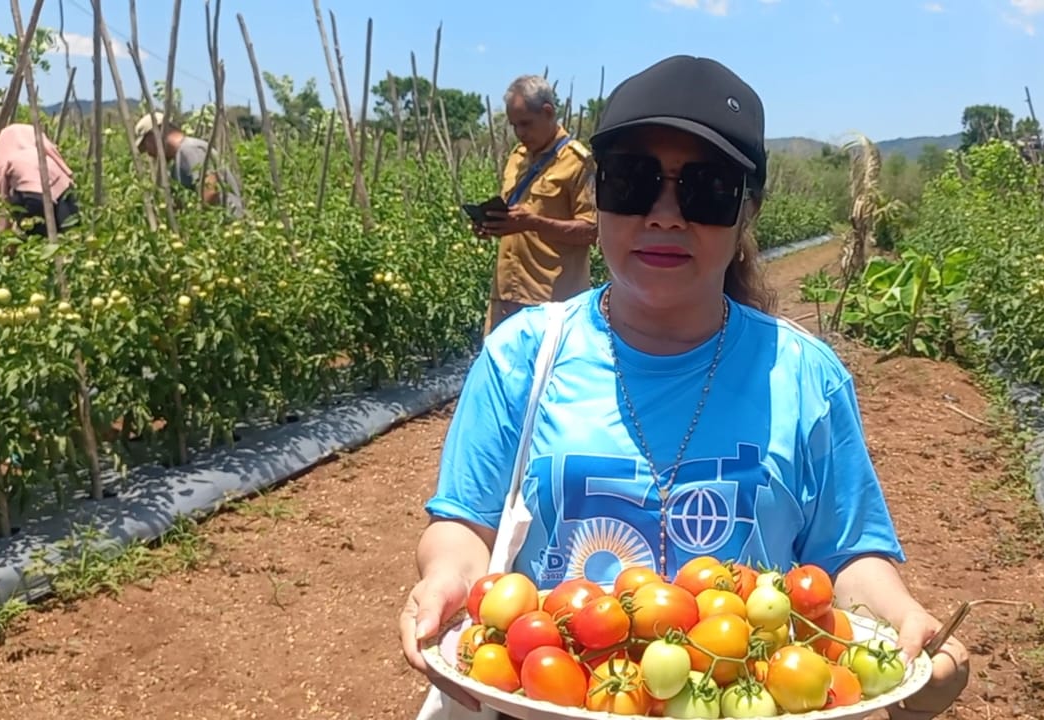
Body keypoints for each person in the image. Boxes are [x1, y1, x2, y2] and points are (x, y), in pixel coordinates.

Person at [401, 56, 970, 719]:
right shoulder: (524, 355)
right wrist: (447, 577)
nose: (666, 214)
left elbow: (846, 556)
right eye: (634, 181)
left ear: (746, 211)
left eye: (707, 188)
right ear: (600, 191)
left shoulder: (804, 375)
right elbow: (465, 524)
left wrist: (904, 625)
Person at [475, 74, 598, 337]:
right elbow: (513, 216)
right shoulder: (517, 158)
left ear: (548, 112)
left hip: (552, 302)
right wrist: (492, 224)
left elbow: (591, 231)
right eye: (514, 126)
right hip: (507, 295)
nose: (520, 133)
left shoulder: (578, 162)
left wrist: (533, 223)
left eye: (526, 124)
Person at [134, 111, 245, 218]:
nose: (149, 153)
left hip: (226, 225)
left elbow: (209, 191)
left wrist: (194, 225)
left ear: (156, 136)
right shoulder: (179, 159)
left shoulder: (189, 150)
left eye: (146, 146)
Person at [0, 123, 81, 237]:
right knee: (71, 238)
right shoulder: (40, 151)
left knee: (37, 243)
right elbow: (56, 155)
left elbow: (2, 200)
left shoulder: (0, 152)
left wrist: (1, 232)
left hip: (33, 195)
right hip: (63, 186)